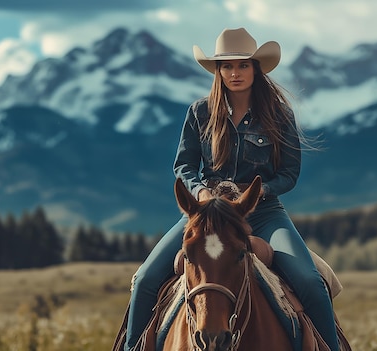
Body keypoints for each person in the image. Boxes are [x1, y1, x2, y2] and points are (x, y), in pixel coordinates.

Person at [124, 27, 340, 351]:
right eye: (226, 66)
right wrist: (200, 194)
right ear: (218, 71)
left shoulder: (278, 114)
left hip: (263, 213)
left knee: (310, 282)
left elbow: (289, 173)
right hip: (207, 212)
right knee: (144, 280)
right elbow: (183, 167)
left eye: (242, 65)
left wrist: (257, 193)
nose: (234, 73)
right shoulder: (200, 112)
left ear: (256, 68)